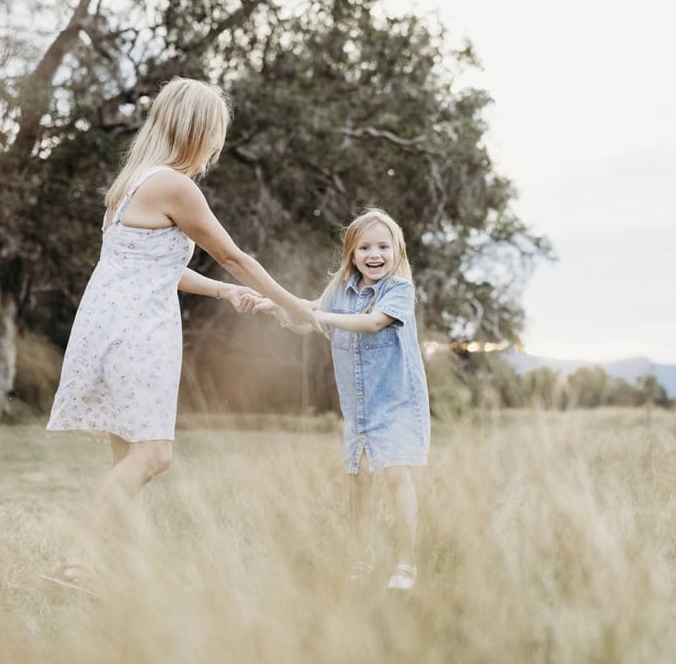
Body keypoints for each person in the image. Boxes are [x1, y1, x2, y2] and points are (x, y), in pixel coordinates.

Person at [43, 77, 318, 594]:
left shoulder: (129, 184)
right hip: (138, 332)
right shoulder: (174, 184)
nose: (218, 143)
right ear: (197, 130)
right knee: (153, 456)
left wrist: (227, 295)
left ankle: (129, 570)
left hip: (109, 325)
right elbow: (234, 255)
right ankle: (74, 561)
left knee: (129, 457)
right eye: (216, 131)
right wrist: (294, 305)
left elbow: (154, 267)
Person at [261, 208, 430, 590]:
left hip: (396, 402)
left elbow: (372, 322)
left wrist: (324, 315)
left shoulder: (399, 290)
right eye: (365, 247)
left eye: (383, 246)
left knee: (396, 477)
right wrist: (279, 308)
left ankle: (406, 563)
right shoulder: (339, 292)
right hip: (358, 408)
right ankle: (361, 558)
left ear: (397, 251)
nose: (375, 254)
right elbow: (308, 320)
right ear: (351, 254)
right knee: (358, 484)